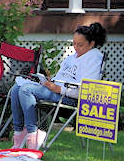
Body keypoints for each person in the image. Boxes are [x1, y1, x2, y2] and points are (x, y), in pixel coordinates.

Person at [8, 22, 107, 150]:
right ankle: (19, 135)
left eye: (80, 45)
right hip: (56, 92)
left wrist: (59, 89)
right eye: (74, 43)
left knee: (26, 89)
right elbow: (60, 77)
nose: (75, 47)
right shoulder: (71, 58)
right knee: (17, 88)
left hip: (70, 99)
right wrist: (50, 82)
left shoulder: (94, 58)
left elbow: (87, 89)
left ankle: (33, 136)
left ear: (91, 44)